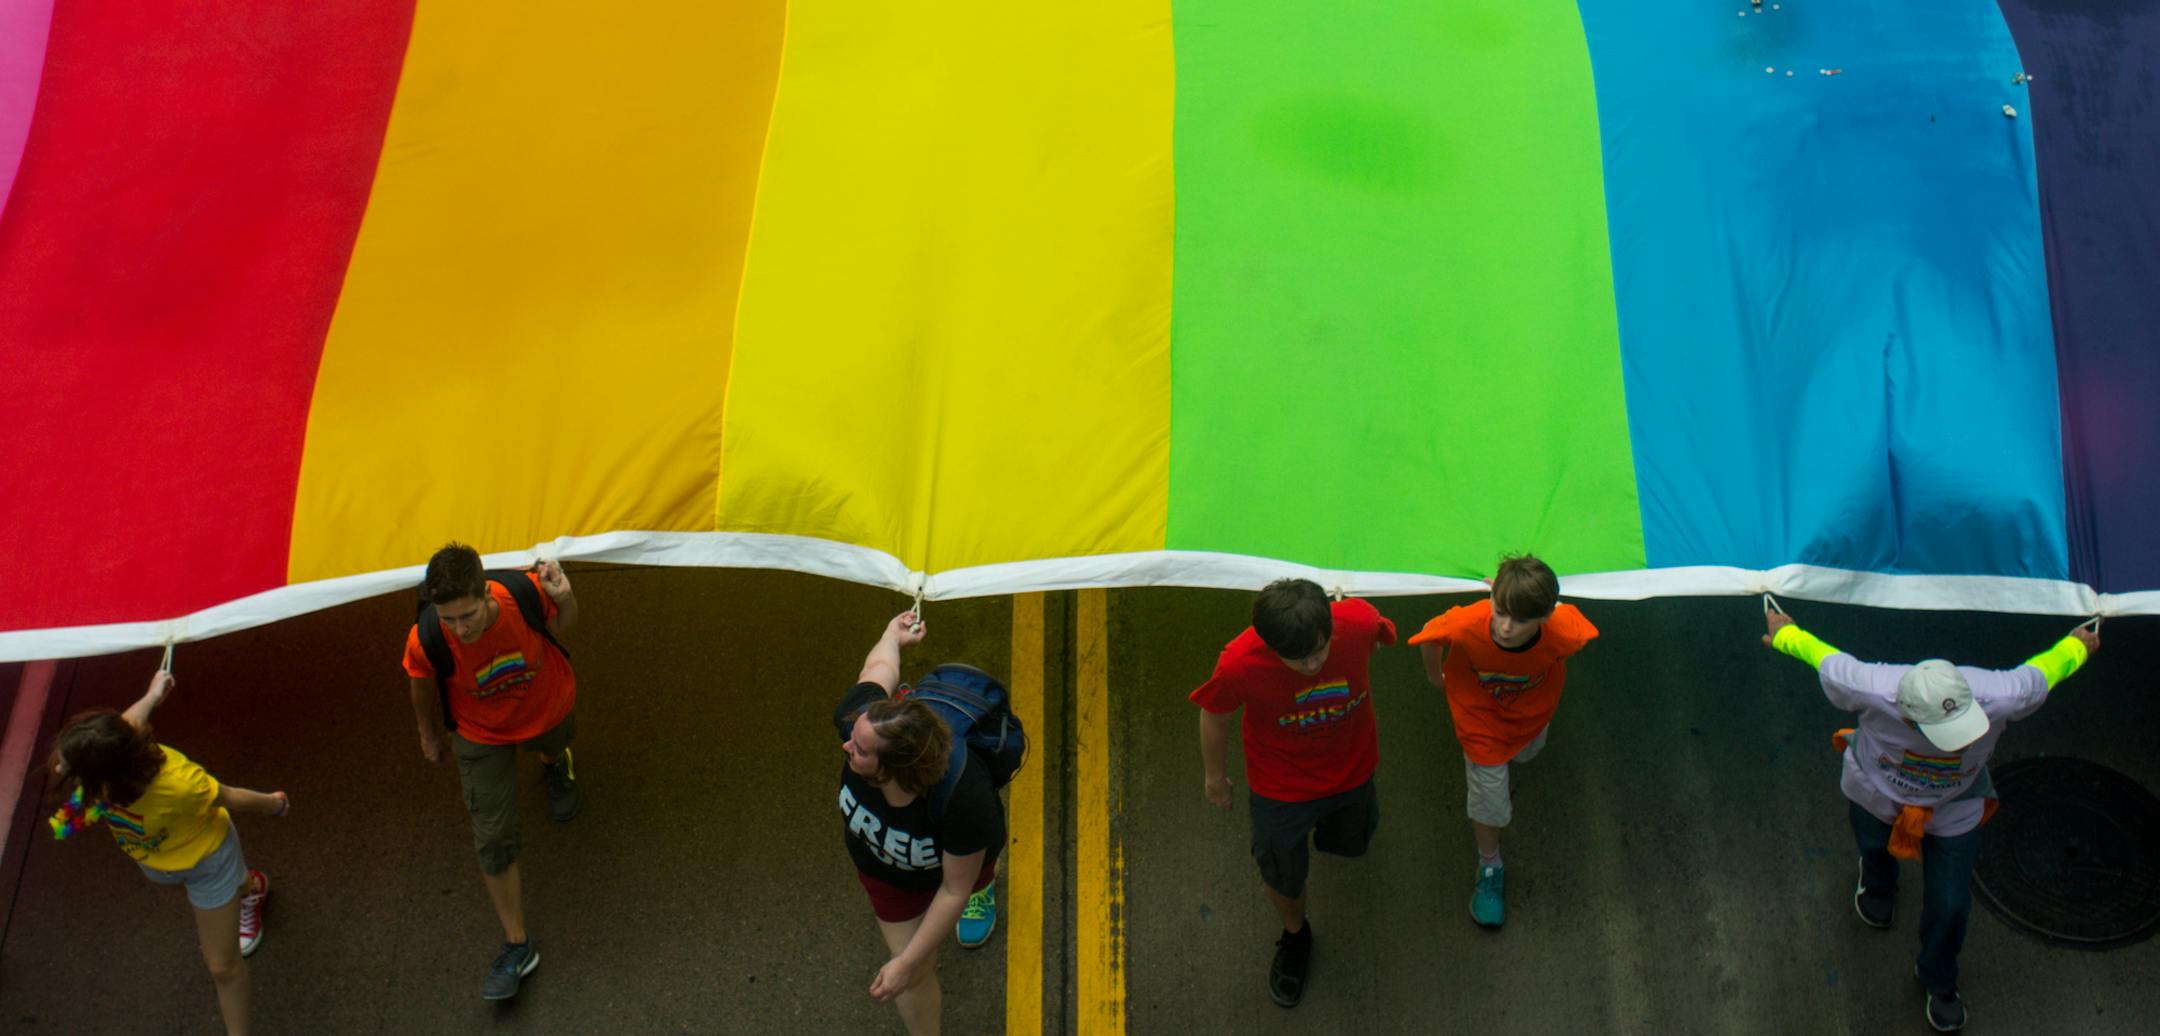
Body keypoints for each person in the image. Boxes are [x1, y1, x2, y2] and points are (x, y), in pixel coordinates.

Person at [1763, 607, 2100, 1032]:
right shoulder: (1868, 687)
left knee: (1953, 904)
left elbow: (2047, 669)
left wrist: (2079, 644)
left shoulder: (2001, 695)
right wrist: (1782, 632)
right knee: (1872, 844)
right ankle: (1878, 879)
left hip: (1953, 808)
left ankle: (1938, 978)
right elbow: (1816, 652)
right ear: (1904, 714)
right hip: (1876, 794)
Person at [47, 668, 288, 1036]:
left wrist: (273, 803)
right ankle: (248, 888)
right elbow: (131, 719)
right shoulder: (114, 752)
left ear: (107, 776)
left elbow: (227, 796)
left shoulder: (180, 784)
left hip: (208, 863)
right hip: (158, 861)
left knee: (222, 966)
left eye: (69, 766)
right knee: (201, 900)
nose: (60, 768)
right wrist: (153, 693)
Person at [1191, 577, 1397, 1008]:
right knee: (1281, 872)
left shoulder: (1357, 621)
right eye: (1296, 657)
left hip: (1353, 771)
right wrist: (1215, 778)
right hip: (1280, 788)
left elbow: (1377, 640)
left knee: (1351, 841)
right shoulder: (1238, 665)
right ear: (1267, 642)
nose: (1311, 664)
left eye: (1319, 649)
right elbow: (1214, 715)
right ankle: (1295, 936)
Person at [401, 543, 581, 1001]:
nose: (459, 629)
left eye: (467, 616)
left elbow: (568, 624)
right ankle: (517, 945)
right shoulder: (427, 637)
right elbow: (420, 686)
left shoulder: (520, 592)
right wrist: (428, 736)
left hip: (545, 708)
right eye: (448, 619)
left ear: (484, 594)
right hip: (480, 734)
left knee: (554, 742)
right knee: (493, 836)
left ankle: (553, 761)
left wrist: (564, 596)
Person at [835, 611, 1006, 1036]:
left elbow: (953, 888)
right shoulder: (861, 720)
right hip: (886, 875)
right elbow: (877, 670)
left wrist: (905, 963)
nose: (845, 745)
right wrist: (890, 636)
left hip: (956, 866)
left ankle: (987, 891)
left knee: (973, 882)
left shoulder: (964, 798)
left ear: (892, 768)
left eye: (859, 749)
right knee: (912, 977)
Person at [1407, 554, 1597, 929]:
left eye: (1522, 619)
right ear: (1492, 593)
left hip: (1531, 722)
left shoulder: (1567, 631)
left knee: (1527, 754)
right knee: (1490, 801)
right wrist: (1437, 677)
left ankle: (1503, 779)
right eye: (1500, 610)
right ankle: (1490, 865)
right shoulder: (1466, 623)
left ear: (1545, 617)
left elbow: (1576, 629)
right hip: (1481, 730)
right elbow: (1429, 635)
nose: (1506, 627)